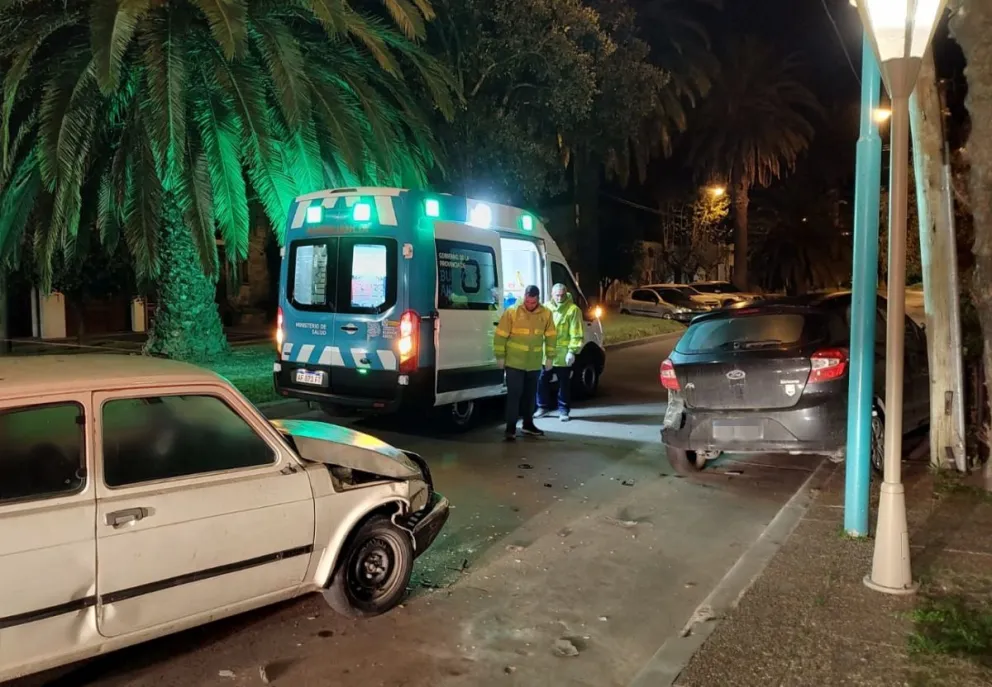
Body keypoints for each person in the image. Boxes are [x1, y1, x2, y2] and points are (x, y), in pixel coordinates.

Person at [493, 285, 557, 441]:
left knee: (530, 396)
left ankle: (528, 424)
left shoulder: (546, 314)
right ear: (524, 297)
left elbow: (551, 336)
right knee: (514, 396)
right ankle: (510, 428)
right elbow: (500, 335)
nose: (530, 305)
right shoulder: (512, 312)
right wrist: (500, 356)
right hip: (514, 362)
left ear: (538, 299)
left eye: (533, 302)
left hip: (534, 363)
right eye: (527, 302)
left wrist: (550, 357)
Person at [535, 283, 583, 421]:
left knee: (564, 384)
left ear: (566, 294)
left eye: (562, 295)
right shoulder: (545, 308)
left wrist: (572, 351)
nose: (560, 298)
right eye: (557, 295)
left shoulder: (573, 310)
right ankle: (542, 407)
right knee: (541, 381)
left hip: (563, 355)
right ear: (552, 294)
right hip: (547, 354)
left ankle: (563, 410)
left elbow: (576, 333)